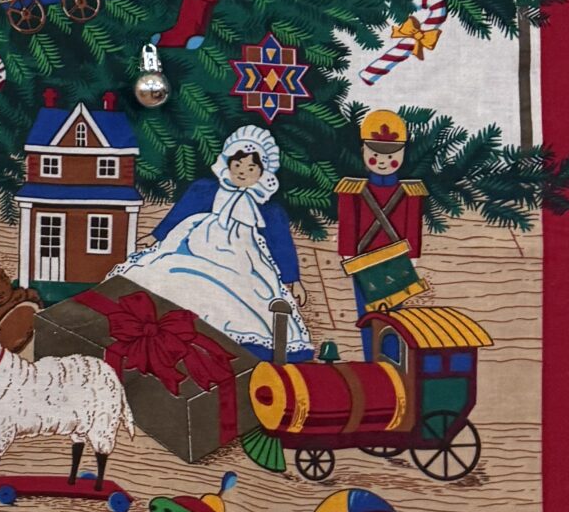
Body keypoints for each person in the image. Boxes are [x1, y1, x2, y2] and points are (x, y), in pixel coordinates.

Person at [111, 125, 311, 353]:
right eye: (237, 164)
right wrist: (157, 235)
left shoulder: (267, 208)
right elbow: (182, 212)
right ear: (227, 162)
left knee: (246, 296)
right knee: (174, 274)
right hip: (198, 245)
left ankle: (238, 342)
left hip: (242, 258)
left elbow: (280, 242)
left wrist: (293, 279)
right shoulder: (207, 190)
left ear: (262, 173)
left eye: (251, 167)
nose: (242, 172)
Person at [335, 107, 427, 315]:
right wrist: (348, 253)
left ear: (402, 154)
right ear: (364, 152)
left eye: (390, 155)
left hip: (397, 260)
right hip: (363, 261)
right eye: (375, 155)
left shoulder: (410, 192)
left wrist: (413, 256)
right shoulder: (352, 190)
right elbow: (349, 222)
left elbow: (412, 224)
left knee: (394, 315)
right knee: (367, 313)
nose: (383, 161)